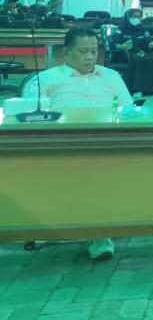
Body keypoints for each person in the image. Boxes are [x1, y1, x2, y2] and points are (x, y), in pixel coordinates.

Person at [23, 28, 131, 261]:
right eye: (83, 52)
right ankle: (99, 235)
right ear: (66, 53)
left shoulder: (111, 76)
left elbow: (129, 111)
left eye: (94, 51)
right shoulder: (45, 80)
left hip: (109, 142)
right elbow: (26, 117)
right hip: (62, 146)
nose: (90, 57)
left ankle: (100, 229)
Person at [116, 8, 153, 97]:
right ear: (128, 17)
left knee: (152, 60)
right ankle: (137, 89)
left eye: (138, 16)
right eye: (134, 16)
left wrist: (150, 44)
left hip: (139, 52)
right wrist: (122, 46)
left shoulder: (142, 29)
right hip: (124, 53)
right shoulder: (120, 29)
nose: (136, 18)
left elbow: (146, 42)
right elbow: (114, 44)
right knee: (137, 60)